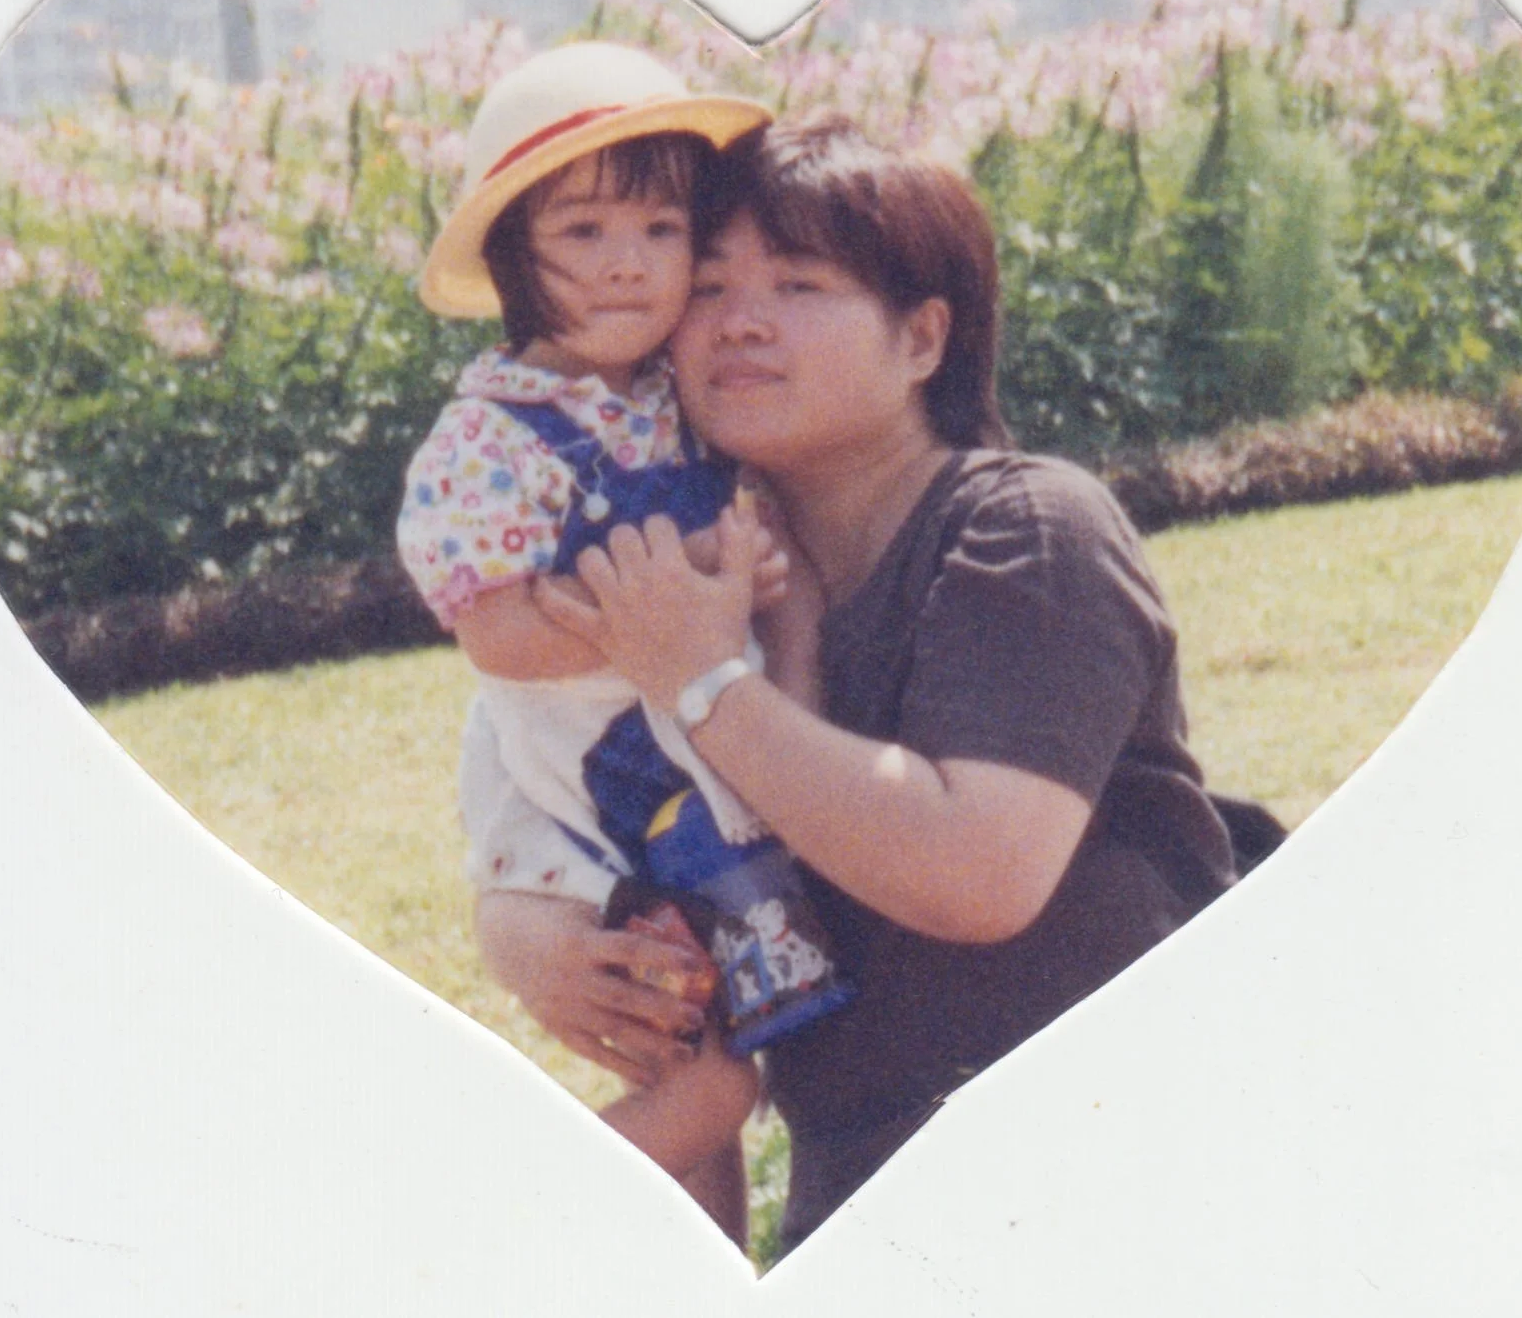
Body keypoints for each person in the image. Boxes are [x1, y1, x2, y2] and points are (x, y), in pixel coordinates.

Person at [501, 115, 1255, 1255]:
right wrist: (548, 950)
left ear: (923, 340)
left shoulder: (1023, 528)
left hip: (1123, 1194)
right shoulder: (696, 592)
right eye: (705, 287)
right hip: (863, 1216)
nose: (741, 321)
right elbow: (573, 857)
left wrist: (701, 682)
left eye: (800, 283)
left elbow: (977, 870)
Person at [395, 43, 852, 1244]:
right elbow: (495, 633)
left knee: (697, 1086)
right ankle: (484, 1242)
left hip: (707, 778)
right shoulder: (496, 436)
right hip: (597, 809)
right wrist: (687, 597)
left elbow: (761, 547)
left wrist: (734, 582)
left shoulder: (670, 392)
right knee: (711, 1081)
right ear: (511, 256)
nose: (626, 268)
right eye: (585, 232)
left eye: (659, 232)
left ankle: (693, 1275)